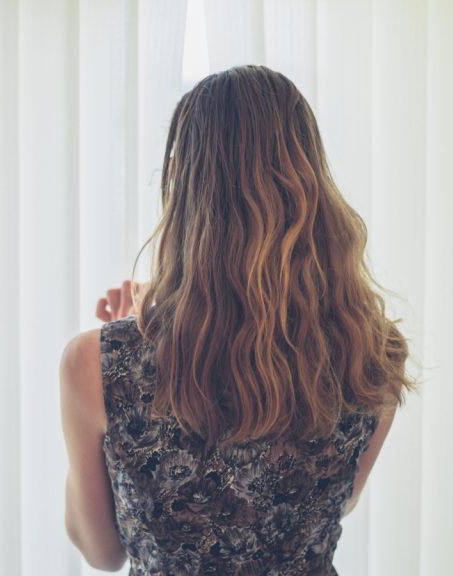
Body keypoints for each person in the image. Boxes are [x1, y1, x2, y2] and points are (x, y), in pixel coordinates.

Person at [59, 64, 414, 575]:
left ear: (183, 186)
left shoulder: (94, 367)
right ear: (311, 182)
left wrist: (128, 342)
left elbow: (101, 552)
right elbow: (337, 504)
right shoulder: (374, 352)